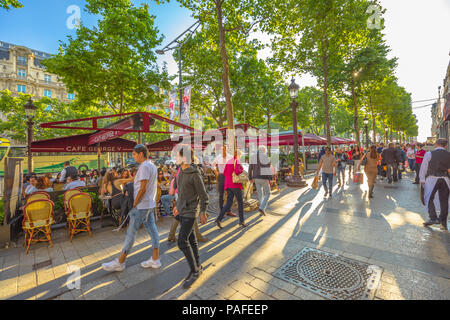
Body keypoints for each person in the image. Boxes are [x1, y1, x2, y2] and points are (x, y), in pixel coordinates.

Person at [102, 144, 161, 272]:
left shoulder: (144, 166)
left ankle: (121, 261)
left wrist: (135, 203)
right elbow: (142, 183)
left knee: (131, 232)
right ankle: (155, 259)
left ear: (140, 154)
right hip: (149, 204)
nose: (133, 156)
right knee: (152, 230)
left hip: (141, 205)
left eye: (134, 154)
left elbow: (143, 188)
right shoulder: (151, 165)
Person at [172, 146, 209, 288]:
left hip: (191, 212)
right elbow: (181, 193)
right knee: (191, 239)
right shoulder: (181, 171)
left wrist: (203, 211)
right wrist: (177, 206)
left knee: (182, 241)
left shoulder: (194, 174)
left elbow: (203, 195)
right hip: (182, 210)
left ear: (185, 157)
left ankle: (194, 271)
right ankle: (197, 266)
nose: (176, 157)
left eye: (178, 155)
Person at [420, 138, 450, 231]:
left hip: (432, 179)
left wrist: (422, 179)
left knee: (428, 198)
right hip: (445, 179)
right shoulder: (449, 155)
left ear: (436, 144)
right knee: (444, 200)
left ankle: (433, 217)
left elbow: (424, 167)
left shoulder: (429, 154)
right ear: (446, 146)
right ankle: (443, 222)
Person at [216, 150, 246, 229]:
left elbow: (225, 173)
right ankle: (242, 221)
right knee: (240, 202)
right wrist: (241, 169)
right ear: (238, 155)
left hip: (228, 185)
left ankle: (219, 219)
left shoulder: (229, 161)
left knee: (229, 203)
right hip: (235, 184)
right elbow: (237, 171)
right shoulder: (237, 161)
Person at [212, 144, 235, 217]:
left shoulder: (230, 157)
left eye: (225, 149)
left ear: (227, 149)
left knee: (230, 194)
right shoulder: (218, 157)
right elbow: (213, 165)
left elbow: (234, 166)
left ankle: (228, 210)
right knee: (221, 194)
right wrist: (216, 172)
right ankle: (222, 211)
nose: (223, 150)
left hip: (229, 176)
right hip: (221, 176)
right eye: (222, 149)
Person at [249, 146, 272, 216]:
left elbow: (250, 168)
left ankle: (262, 209)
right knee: (268, 193)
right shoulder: (266, 157)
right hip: (264, 177)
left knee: (260, 194)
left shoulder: (253, 157)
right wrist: (270, 178)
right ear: (264, 151)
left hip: (256, 177)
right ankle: (262, 208)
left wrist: (250, 178)